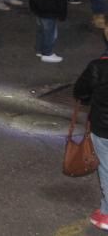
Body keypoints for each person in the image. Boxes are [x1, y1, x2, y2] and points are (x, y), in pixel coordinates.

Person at [73, 31, 108, 231]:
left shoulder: (98, 66)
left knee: (106, 168)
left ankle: (107, 213)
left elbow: (81, 91)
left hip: (104, 127)